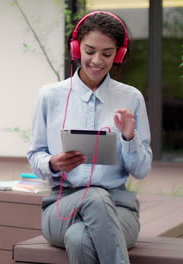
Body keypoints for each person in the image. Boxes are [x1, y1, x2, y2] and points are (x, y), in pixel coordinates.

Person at [27, 11, 152, 264]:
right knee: (93, 196)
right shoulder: (50, 96)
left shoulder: (131, 98)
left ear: (118, 54)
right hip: (61, 208)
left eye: (107, 54)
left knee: (78, 238)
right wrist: (53, 163)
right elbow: (35, 156)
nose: (97, 60)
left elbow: (142, 170)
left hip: (119, 210)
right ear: (76, 49)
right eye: (90, 51)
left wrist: (129, 138)